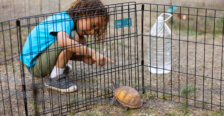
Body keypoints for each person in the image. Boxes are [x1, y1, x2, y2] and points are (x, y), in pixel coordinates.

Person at [19, 0, 113, 93]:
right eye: (93, 25)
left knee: (80, 40)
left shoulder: (68, 20)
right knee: (73, 37)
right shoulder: (65, 20)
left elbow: (63, 49)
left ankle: (57, 68)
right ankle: (55, 78)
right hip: (35, 64)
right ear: (84, 13)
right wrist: (92, 52)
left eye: (95, 30)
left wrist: (82, 58)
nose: (92, 32)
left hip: (39, 59)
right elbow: (63, 42)